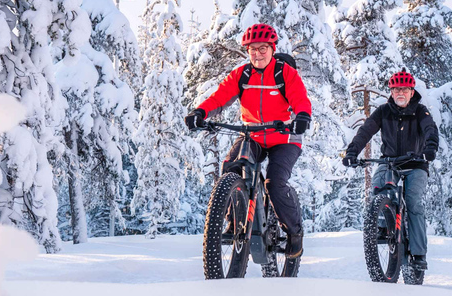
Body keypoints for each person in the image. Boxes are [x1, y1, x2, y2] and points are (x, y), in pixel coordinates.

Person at [185, 23, 312, 258]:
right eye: (252, 49)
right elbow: (219, 97)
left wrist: (302, 116)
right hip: (253, 134)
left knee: (274, 183)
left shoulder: (285, 73)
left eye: (262, 48)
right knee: (231, 166)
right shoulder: (242, 74)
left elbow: (300, 99)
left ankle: (294, 232)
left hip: (284, 137)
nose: (257, 54)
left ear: (272, 49)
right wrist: (200, 112)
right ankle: (235, 221)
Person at [342, 69, 438, 272]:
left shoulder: (420, 111)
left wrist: (430, 148)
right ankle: (383, 224)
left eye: (404, 89)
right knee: (378, 187)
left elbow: (430, 128)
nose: (399, 93)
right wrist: (352, 152)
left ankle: (418, 254)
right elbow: (366, 130)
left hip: (415, 163)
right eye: (395, 90)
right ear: (391, 93)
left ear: (412, 91)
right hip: (389, 162)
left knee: (413, 202)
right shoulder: (383, 111)